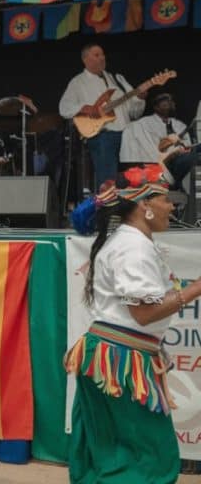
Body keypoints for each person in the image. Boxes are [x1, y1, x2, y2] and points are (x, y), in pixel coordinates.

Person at [65, 164, 201, 484]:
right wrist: (195, 289)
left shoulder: (129, 243)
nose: (172, 207)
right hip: (121, 362)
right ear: (145, 205)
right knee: (148, 455)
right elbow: (142, 312)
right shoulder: (132, 248)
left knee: (114, 453)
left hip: (113, 356)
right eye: (165, 200)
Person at [59, 43, 151, 189]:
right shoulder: (78, 82)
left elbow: (135, 113)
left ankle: (130, 210)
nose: (102, 58)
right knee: (108, 182)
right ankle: (108, 211)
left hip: (127, 135)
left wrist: (139, 99)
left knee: (132, 178)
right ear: (85, 59)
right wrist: (84, 108)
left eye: (102, 54)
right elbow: (64, 108)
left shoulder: (118, 79)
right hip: (103, 136)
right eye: (97, 55)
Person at [121, 93, 197, 191]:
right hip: (161, 161)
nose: (169, 107)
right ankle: (176, 186)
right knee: (191, 158)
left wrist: (183, 147)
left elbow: (188, 144)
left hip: (180, 158)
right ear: (156, 108)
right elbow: (151, 148)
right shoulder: (145, 123)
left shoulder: (180, 125)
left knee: (195, 153)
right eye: (165, 105)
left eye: (171, 104)